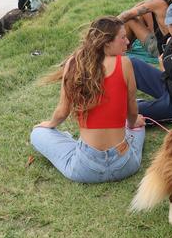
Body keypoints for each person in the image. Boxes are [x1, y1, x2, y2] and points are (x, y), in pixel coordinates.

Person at [30, 17, 146, 182]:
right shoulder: (125, 63)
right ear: (107, 43)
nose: (127, 41)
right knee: (138, 126)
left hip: (86, 168)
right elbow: (132, 109)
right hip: (125, 166)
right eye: (122, 37)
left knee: (38, 133)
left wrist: (49, 125)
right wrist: (134, 123)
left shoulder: (74, 64)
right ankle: (132, 132)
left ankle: (69, 140)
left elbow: (62, 112)